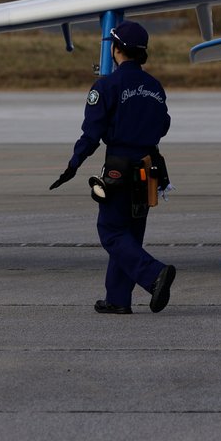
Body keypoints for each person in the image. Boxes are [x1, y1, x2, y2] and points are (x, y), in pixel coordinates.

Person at [49, 21, 176, 314]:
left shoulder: (106, 86)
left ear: (116, 49)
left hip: (119, 167)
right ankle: (118, 299)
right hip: (148, 168)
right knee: (130, 233)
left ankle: (154, 274)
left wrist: (73, 164)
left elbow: (92, 133)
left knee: (111, 231)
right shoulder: (155, 87)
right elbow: (164, 125)